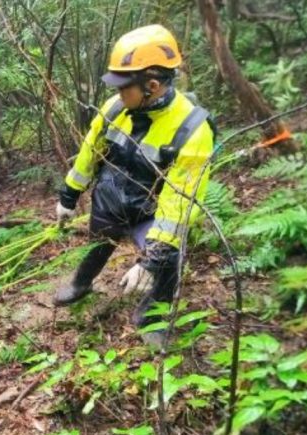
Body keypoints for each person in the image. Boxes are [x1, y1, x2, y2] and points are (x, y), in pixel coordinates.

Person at [52, 24, 215, 343]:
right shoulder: (116, 109)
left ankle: (152, 317)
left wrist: (151, 261)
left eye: (123, 86)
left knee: (169, 262)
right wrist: (69, 197)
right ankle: (81, 283)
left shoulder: (192, 129)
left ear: (151, 85)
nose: (117, 94)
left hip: (149, 213)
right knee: (98, 245)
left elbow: (179, 205)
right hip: (109, 200)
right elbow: (89, 152)